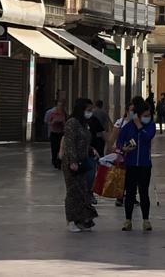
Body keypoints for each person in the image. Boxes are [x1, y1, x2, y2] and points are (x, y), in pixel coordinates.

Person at [117, 99, 156, 232]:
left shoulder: (150, 126)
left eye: (148, 115)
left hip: (145, 164)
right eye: (144, 115)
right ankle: (128, 220)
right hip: (131, 164)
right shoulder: (127, 128)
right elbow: (119, 143)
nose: (147, 117)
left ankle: (146, 220)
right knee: (130, 192)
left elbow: (147, 137)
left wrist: (140, 125)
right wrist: (123, 149)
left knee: (144, 192)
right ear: (137, 114)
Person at [61, 98, 98, 233]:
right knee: (72, 191)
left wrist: (91, 149)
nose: (90, 112)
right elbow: (69, 143)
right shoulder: (72, 123)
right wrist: (72, 161)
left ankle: (82, 219)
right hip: (72, 163)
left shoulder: (84, 124)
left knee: (82, 190)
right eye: (88, 110)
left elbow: (84, 141)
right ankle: (70, 220)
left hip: (83, 161)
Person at [45, 99, 66, 170]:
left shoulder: (64, 114)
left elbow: (66, 123)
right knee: (54, 148)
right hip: (54, 133)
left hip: (60, 133)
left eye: (61, 106)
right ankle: (54, 160)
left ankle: (59, 161)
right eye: (59, 105)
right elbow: (47, 122)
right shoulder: (52, 113)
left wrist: (63, 123)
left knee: (60, 147)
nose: (60, 107)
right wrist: (53, 122)